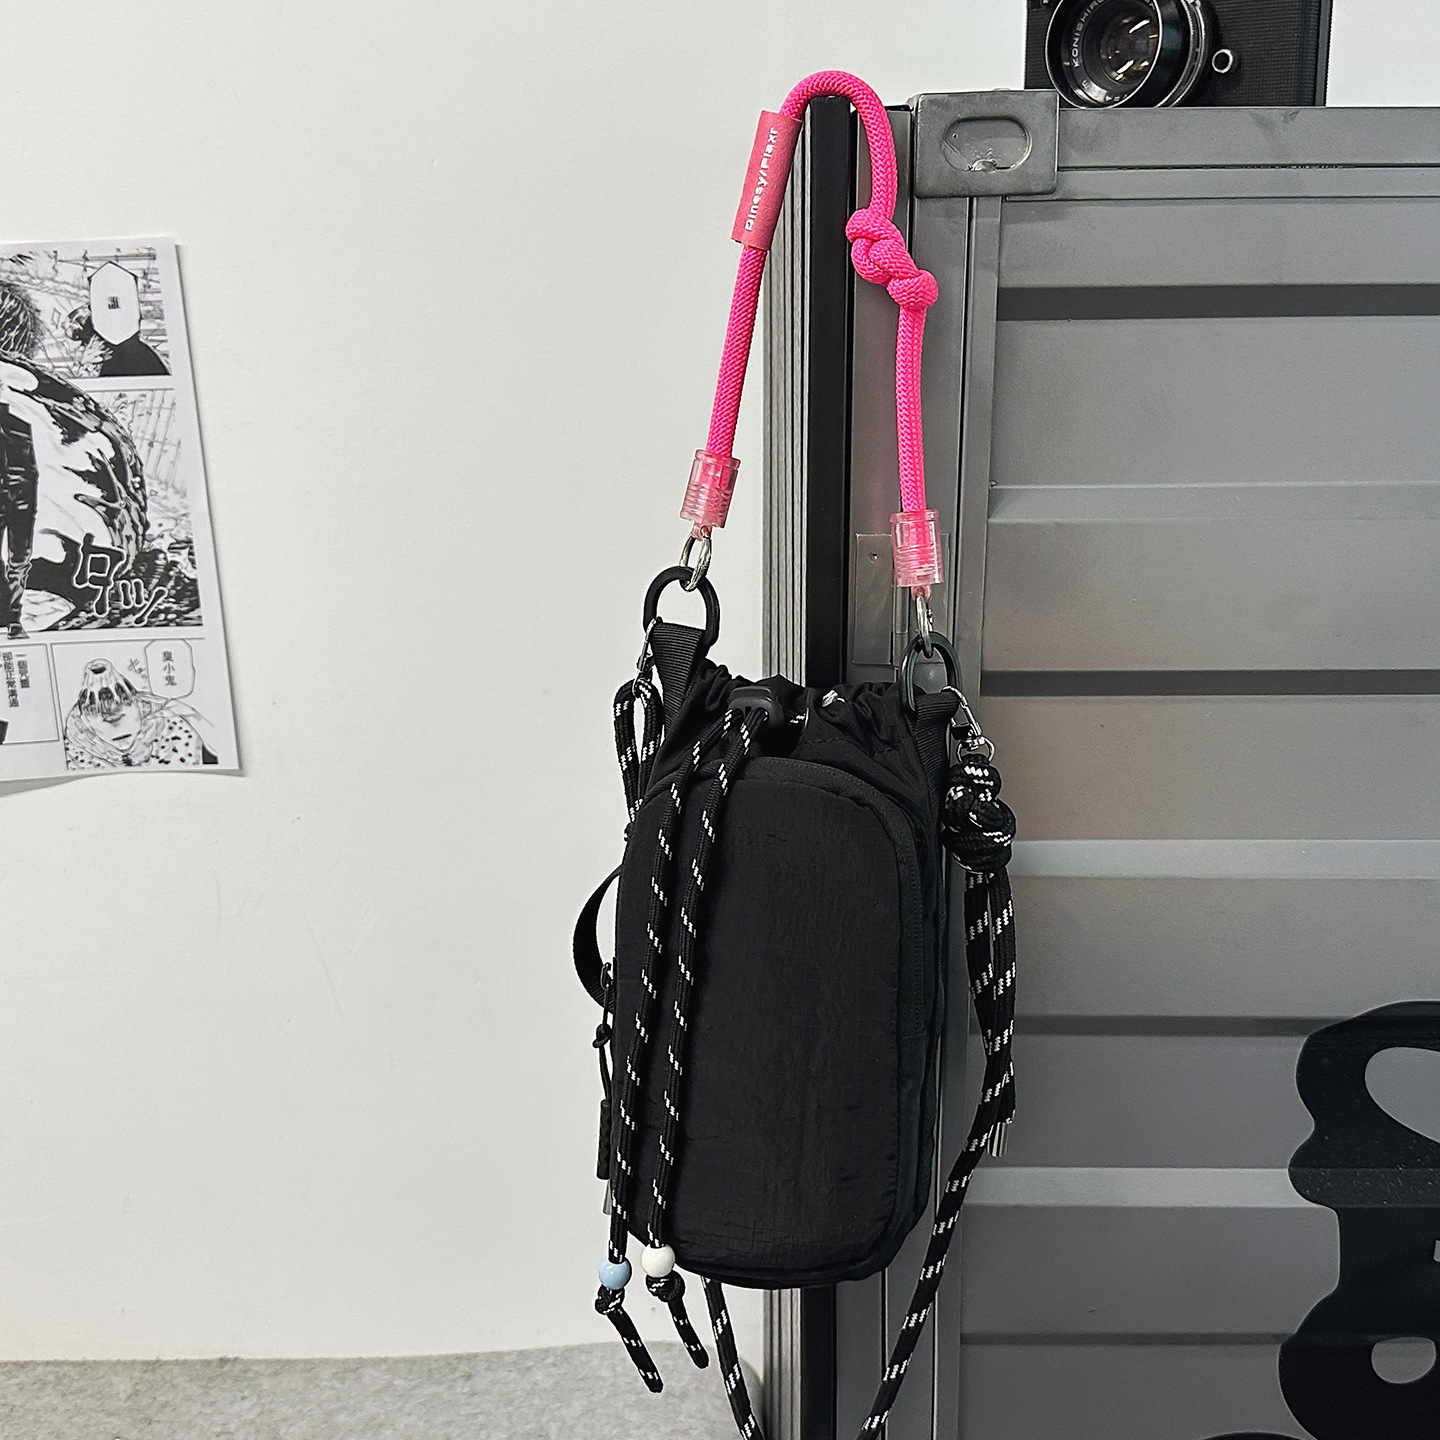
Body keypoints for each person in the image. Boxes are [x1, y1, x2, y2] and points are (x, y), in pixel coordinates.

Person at [0, 283, 40, 638]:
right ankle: (10, 617)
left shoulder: (22, 389)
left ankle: (12, 618)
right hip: (19, 483)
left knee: (19, 557)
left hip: (21, 483)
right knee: (17, 557)